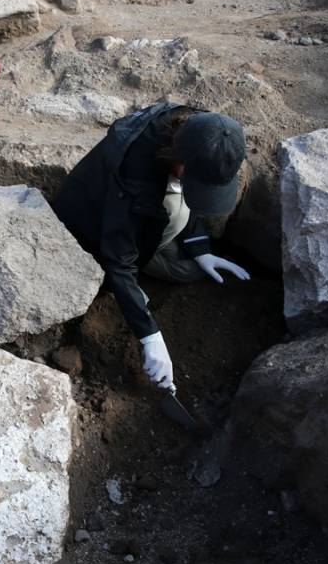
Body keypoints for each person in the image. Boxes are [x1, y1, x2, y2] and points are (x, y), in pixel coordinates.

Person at [52, 102, 250, 391]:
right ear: (177, 158)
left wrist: (201, 249)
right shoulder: (136, 177)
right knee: (169, 218)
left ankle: (162, 256)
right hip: (93, 230)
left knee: (191, 270)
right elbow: (119, 260)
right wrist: (150, 335)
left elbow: (195, 191)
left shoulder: (200, 129)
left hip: (142, 216)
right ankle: (134, 287)